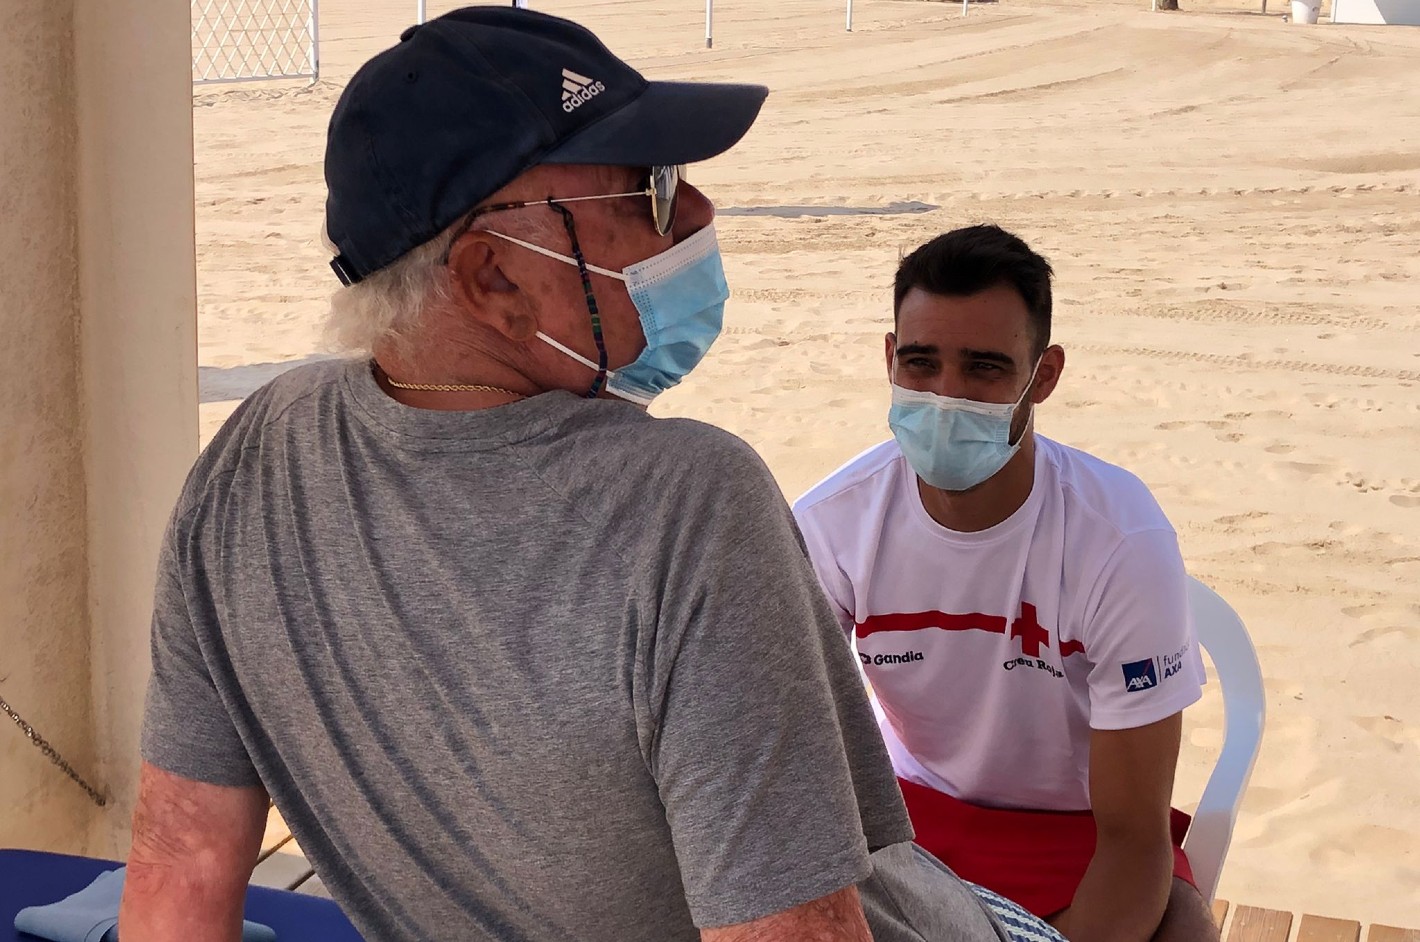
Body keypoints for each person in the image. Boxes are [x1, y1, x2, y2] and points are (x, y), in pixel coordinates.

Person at [117, 10, 1053, 942]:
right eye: (650, 190)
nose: (698, 213)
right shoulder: (685, 503)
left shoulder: (256, 455)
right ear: (492, 277)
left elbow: (179, 865)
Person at [792, 225, 1220, 942]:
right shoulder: (832, 524)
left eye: (984, 368)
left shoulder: (1120, 540)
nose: (946, 395)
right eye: (921, 363)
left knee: (1184, 927)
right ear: (889, 358)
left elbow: (1133, 836)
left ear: (1043, 376)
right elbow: (783, 749)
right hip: (906, 820)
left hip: (1074, 831)